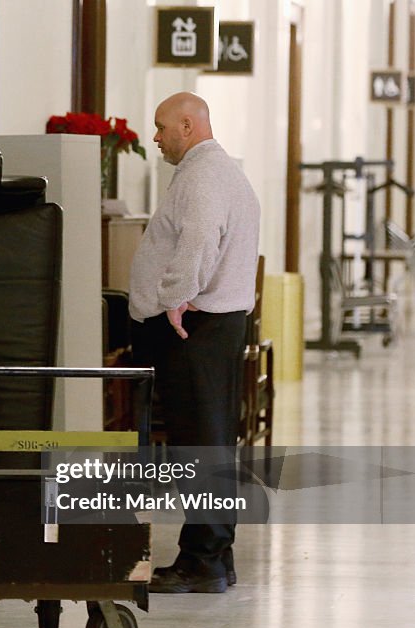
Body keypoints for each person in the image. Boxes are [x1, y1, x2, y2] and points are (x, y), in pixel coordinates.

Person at [128, 92, 259, 593]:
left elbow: (201, 237)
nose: (155, 137)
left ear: (188, 125)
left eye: (161, 127)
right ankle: (215, 555)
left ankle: (202, 560)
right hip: (212, 326)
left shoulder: (204, 175)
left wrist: (176, 296)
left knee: (198, 445)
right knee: (212, 441)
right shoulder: (221, 171)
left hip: (192, 328)